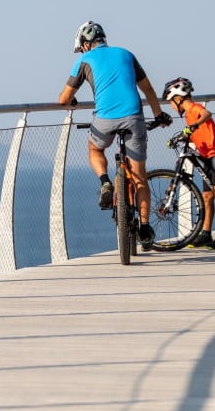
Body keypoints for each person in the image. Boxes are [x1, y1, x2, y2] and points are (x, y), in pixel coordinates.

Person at [58, 21, 171, 250]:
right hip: (133, 116)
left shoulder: (83, 61)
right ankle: (146, 227)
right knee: (139, 176)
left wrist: (72, 103)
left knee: (95, 148)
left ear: (86, 44)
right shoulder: (126, 54)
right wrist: (158, 115)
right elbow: (148, 89)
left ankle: (105, 181)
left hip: (105, 120)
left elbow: (63, 100)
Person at [161, 76, 215, 249]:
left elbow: (207, 115)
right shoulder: (188, 117)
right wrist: (181, 136)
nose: (170, 106)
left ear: (177, 98)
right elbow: (194, 132)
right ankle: (205, 234)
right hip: (207, 155)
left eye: (170, 102)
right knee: (207, 196)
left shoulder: (194, 108)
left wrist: (194, 125)